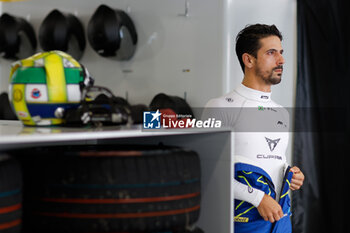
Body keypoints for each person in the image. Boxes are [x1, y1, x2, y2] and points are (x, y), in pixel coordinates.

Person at [204, 24, 304, 233]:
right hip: (241, 222)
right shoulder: (221, 106)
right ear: (248, 59)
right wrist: (257, 197)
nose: (281, 60)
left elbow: (273, 160)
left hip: (281, 220)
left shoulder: (281, 112)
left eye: (281, 53)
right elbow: (209, 172)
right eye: (271, 53)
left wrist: (290, 173)